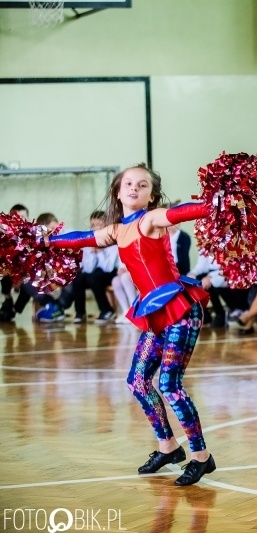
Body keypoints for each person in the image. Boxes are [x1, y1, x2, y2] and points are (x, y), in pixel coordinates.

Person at [47, 163, 216, 484]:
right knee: (137, 382)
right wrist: (44, 242)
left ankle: (201, 456)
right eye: (128, 183)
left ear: (152, 196)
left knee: (170, 384)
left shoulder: (152, 219)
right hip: (154, 310)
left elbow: (183, 213)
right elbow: (81, 238)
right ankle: (168, 446)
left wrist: (219, 204)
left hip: (180, 307)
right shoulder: (116, 230)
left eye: (142, 185)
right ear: (117, 190)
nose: (134, 188)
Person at [40, 210, 120, 324]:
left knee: (94, 278)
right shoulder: (90, 238)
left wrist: (100, 251)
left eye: (98, 225)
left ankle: (107, 310)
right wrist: (93, 252)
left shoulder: (112, 239)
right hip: (94, 273)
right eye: (92, 225)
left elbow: (108, 267)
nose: (94, 229)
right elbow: (88, 268)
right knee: (78, 278)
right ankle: (80, 313)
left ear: (106, 225)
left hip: (111, 272)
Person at [0, 204, 29, 321]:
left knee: (29, 285)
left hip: (29, 272)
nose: (19, 219)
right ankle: (8, 299)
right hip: (11, 270)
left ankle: (15, 309)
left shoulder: (34, 234)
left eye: (22, 216)